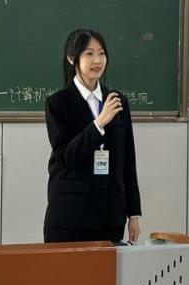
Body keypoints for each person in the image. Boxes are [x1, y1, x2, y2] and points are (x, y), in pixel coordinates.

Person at [43, 28, 142, 244]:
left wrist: (133, 214)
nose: (97, 60)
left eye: (101, 53)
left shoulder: (117, 101)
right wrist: (99, 123)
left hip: (110, 217)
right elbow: (65, 157)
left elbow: (128, 161)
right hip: (70, 217)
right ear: (72, 58)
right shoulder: (58, 103)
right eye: (89, 53)